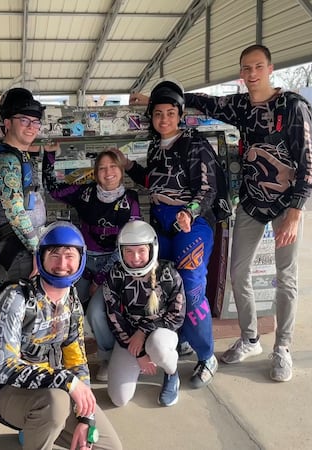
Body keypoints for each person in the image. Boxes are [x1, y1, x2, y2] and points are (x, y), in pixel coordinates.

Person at [132, 44, 312, 382]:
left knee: (286, 277)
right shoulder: (241, 106)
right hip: (250, 201)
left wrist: (295, 211)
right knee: (238, 272)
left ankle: (283, 348)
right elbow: (202, 101)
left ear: (270, 68)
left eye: (258, 67)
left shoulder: (292, 106)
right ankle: (250, 338)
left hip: (287, 203)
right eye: (246, 68)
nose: (251, 74)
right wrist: (155, 100)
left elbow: (309, 162)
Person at [0, 221, 122, 450]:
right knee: (56, 404)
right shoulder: (16, 298)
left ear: (80, 259)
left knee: (107, 446)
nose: (62, 264)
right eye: (54, 254)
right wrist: (66, 381)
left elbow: (77, 362)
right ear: (40, 258)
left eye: (69, 255)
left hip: (54, 391)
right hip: (5, 390)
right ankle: (37, 427)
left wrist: (86, 418)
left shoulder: (72, 301)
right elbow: (5, 367)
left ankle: (37, 428)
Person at [117, 79, 221, 389]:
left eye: (171, 113)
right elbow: (154, 181)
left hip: (192, 223)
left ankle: (207, 355)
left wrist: (189, 211)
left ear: (180, 114)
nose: (164, 119)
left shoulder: (195, 143)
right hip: (159, 223)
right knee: (157, 286)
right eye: (158, 113)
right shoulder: (153, 145)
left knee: (190, 286)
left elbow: (208, 188)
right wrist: (127, 165)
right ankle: (181, 338)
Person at [42, 147, 142, 381]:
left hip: (113, 267)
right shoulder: (85, 193)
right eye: (102, 168)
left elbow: (128, 246)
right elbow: (54, 190)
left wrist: (100, 278)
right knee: (62, 307)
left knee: (97, 313)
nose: (108, 173)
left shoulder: (131, 200)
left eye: (113, 167)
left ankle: (107, 359)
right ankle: (57, 355)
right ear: (95, 173)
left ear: (121, 170)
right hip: (82, 263)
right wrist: (49, 156)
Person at [103, 220, 185, 407]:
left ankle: (172, 373)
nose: (135, 257)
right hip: (129, 338)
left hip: (161, 333)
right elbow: (113, 316)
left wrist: (143, 331)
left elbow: (177, 315)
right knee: (119, 399)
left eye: (141, 250)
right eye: (129, 252)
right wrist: (139, 353)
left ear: (152, 248)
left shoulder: (168, 273)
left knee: (158, 347)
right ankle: (141, 362)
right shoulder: (115, 274)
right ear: (121, 251)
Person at [0, 87, 47, 280]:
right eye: (24, 120)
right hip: (19, 249)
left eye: (35, 121)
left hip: (26, 246)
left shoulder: (21, 156)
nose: (31, 126)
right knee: (24, 306)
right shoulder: (6, 160)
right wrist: (37, 250)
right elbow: (15, 212)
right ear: (7, 123)